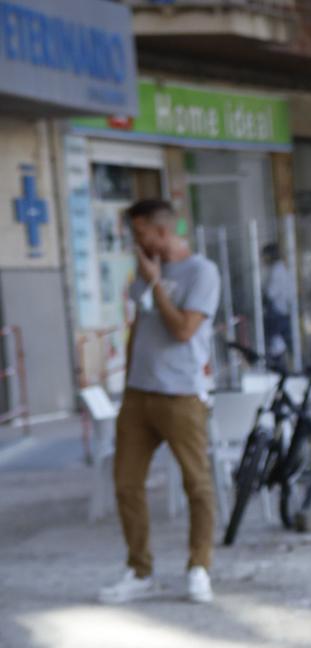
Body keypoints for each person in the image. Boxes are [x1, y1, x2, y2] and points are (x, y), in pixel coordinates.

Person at [100, 199, 222, 606]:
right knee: (126, 484)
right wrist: (129, 378)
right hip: (138, 395)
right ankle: (139, 571)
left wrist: (155, 284)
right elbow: (142, 324)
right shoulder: (148, 270)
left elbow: (184, 330)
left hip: (181, 395)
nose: (136, 242)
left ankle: (199, 568)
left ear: (163, 232)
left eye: (141, 234)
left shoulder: (201, 272)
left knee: (197, 484)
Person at [261, 241, 295, 366]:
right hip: (282, 312)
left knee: (276, 346)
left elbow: (270, 293)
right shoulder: (281, 268)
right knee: (281, 344)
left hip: (277, 313)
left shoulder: (276, 271)